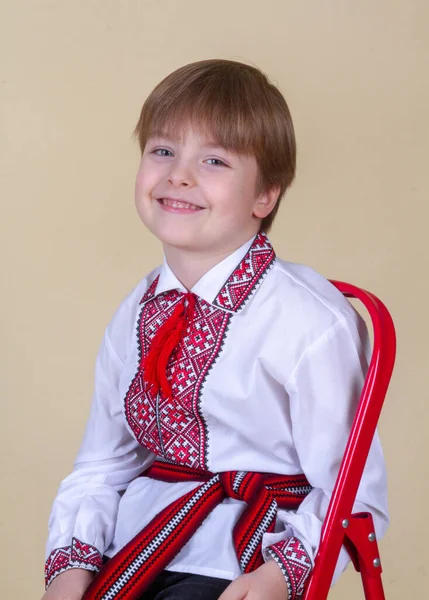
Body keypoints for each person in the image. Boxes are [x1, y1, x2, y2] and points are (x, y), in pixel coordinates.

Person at [42, 59, 388, 600]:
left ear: (264, 197)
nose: (179, 174)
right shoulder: (137, 310)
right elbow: (103, 462)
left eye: (214, 160)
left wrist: (279, 576)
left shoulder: (307, 321)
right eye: (163, 151)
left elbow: (353, 491)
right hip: (136, 548)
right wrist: (69, 565)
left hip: (240, 562)